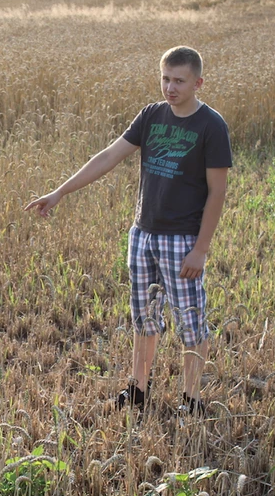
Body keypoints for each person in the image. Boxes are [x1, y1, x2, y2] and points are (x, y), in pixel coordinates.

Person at [24, 46, 232, 415]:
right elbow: (107, 156)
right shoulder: (151, 116)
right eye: (165, 78)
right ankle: (138, 389)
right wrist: (60, 192)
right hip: (143, 235)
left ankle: (192, 399)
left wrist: (201, 248)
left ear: (198, 82)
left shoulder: (211, 126)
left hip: (182, 239)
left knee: (190, 322)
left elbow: (217, 191)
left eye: (179, 81)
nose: (170, 87)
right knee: (144, 317)